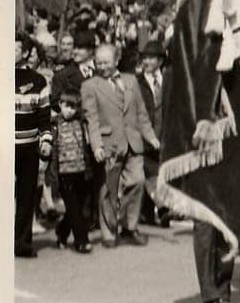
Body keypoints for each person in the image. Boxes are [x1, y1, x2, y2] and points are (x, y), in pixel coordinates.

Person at [81, 42, 159, 248]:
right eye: (98, 62)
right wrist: (96, 145)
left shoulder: (131, 81)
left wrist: (151, 137)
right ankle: (108, 231)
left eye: (106, 62)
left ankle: (129, 226)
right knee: (108, 190)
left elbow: (141, 114)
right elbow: (92, 119)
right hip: (109, 145)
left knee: (138, 182)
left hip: (133, 143)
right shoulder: (90, 86)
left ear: (116, 60)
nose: (102, 66)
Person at [15, 35, 51, 259]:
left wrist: (45, 140)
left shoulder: (38, 81)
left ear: (26, 53)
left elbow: (44, 116)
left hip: (28, 147)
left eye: (16, 48)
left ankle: (22, 242)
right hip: (2, 147)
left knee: (27, 196)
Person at [48, 90, 95, 253]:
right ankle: (81, 241)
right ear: (60, 105)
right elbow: (51, 151)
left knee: (77, 206)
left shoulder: (81, 123)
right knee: (73, 207)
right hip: (63, 172)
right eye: (67, 106)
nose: (70, 110)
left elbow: (86, 146)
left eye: (74, 107)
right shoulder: (54, 124)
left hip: (80, 170)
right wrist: (52, 174)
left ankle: (62, 230)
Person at [134, 41, 171, 229]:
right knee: (149, 170)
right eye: (145, 57)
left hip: (164, 134)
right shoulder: (137, 81)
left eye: (151, 58)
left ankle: (147, 213)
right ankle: (162, 207)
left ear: (160, 60)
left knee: (159, 170)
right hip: (143, 135)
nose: (146, 61)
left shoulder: (169, 79)